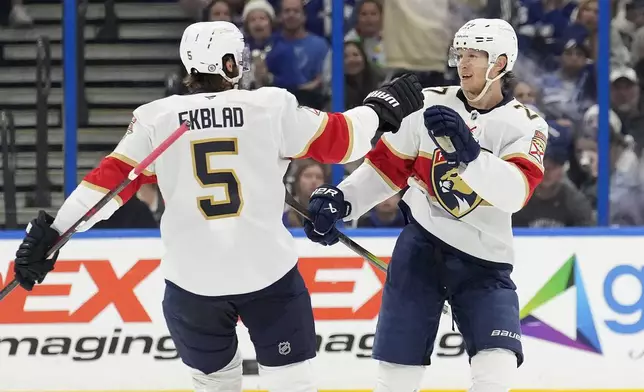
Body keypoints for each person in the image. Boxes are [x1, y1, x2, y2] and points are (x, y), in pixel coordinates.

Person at [11, 21, 423, 392]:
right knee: (292, 383)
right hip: (267, 276)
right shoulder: (269, 106)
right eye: (238, 57)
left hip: (193, 285)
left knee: (214, 387)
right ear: (227, 63)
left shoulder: (158, 117)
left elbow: (104, 189)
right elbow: (343, 140)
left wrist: (51, 236)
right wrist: (379, 109)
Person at [303, 18, 548, 392]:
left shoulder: (525, 124)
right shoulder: (429, 103)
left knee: (496, 371)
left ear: (499, 64)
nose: (463, 64)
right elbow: (385, 168)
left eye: (475, 56)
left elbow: (514, 194)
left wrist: (470, 157)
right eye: (461, 54)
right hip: (421, 250)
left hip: (485, 262)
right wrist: (343, 201)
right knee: (396, 376)